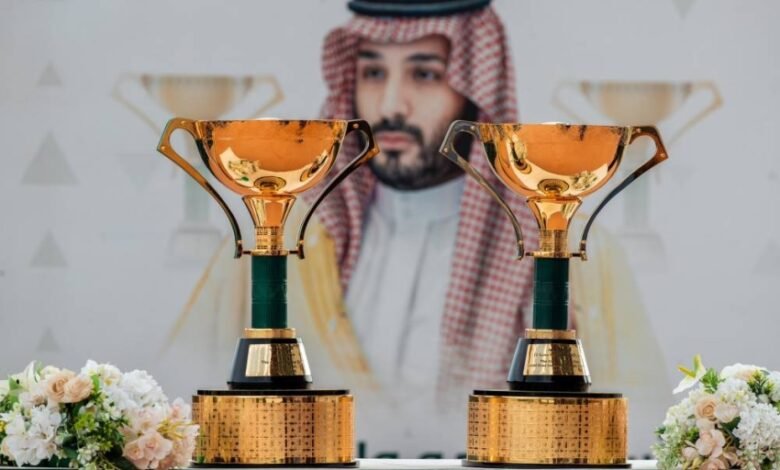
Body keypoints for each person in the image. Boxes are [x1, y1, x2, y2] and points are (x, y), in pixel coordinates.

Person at [163, 0, 670, 457]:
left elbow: (644, 431)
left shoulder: (583, 252)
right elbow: (176, 411)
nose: (391, 106)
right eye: (372, 72)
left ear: (475, 90)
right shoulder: (288, 233)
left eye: (424, 74)